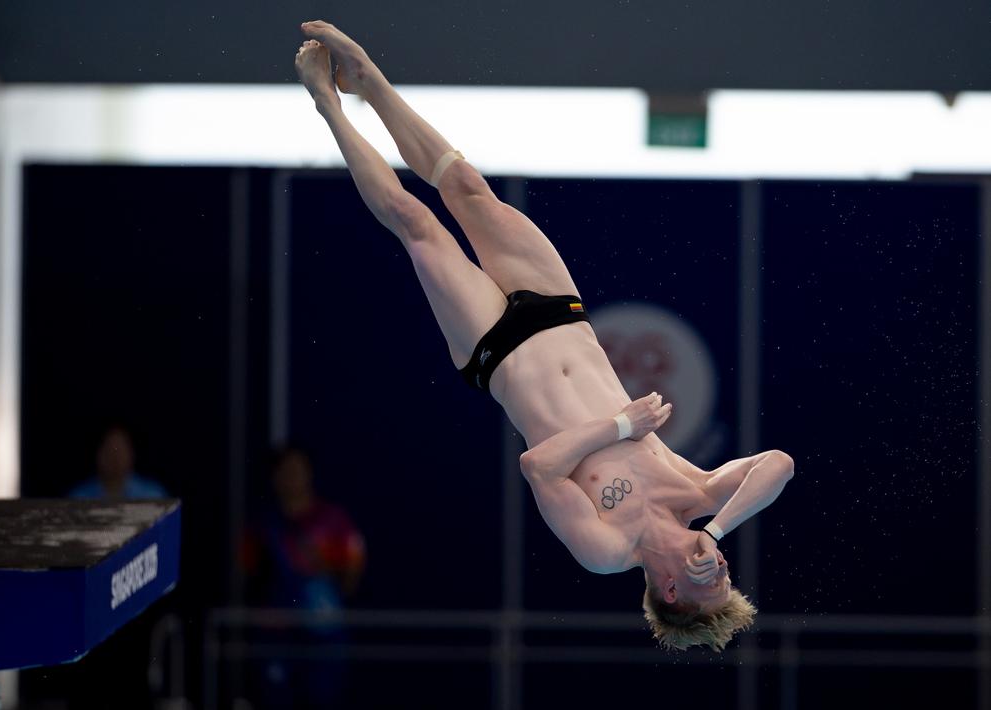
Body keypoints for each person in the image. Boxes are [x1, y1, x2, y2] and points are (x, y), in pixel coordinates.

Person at [293, 21, 795, 652]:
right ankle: (369, 80)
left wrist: (621, 429)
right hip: (560, 313)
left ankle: (328, 104)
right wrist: (718, 531)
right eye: (726, 572)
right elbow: (780, 464)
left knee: (416, 222)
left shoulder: (606, 551)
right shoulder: (695, 493)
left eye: (711, 585)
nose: (720, 571)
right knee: (467, 186)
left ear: (672, 593)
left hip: (495, 349)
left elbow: (539, 465)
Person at [242, 444, 366, 709]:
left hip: (323, 632)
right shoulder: (262, 525)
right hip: (276, 634)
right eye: (285, 471)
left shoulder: (334, 521)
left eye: (297, 470)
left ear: (309, 473)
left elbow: (351, 578)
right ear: (274, 477)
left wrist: (321, 567)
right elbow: (246, 575)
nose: (291, 477)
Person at [69, 423, 168, 499]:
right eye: (109, 451)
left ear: (132, 453)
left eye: (120, 450)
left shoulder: (153, 496)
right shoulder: (79, 497)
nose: (115, 458)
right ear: (98, 455)